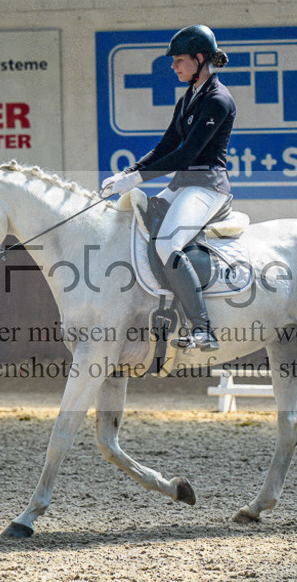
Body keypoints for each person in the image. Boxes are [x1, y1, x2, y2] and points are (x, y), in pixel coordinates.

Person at [101, 25, 236, 352]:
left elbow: (186, 154)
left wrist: (137, 180)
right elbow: (166, 146)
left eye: (179, 60)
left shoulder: (218, 100)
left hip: (208, 187)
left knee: (166, 242)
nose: (173, 66)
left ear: (200, 58)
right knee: (140, 225)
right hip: (183, 185)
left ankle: (203, 329)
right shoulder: (189, 97)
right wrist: (129, 171)